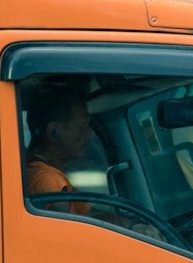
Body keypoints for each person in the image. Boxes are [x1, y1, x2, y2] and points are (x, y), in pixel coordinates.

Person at [23, 81, 161, 239]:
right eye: (82, 125)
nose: (88, 134)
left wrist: (133, 227)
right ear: (54, 132)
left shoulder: (43, 172)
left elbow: (89, 216)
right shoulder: (48, 180)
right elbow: (70, 239)